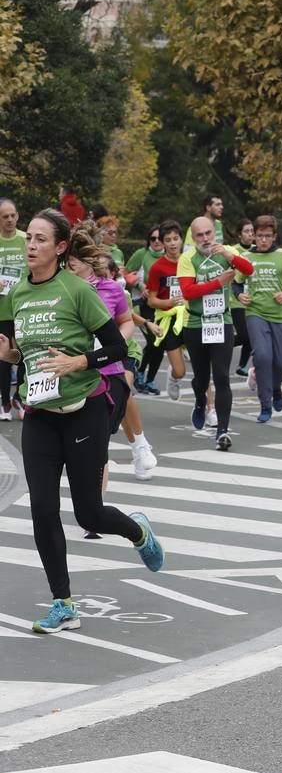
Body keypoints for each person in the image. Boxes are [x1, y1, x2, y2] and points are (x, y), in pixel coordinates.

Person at [2, 211, 163, 633]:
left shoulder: (76, 290)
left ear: (59, 248)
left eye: (40, 239)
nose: (30, 245)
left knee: (88, 514)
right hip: (39, 415)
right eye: (28, 238)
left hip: (83, 412)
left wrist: (80, 361)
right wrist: (12, 357)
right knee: (42, 508)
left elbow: (116, 348)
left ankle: (138, 532)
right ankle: (63, 603)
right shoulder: (17, 293)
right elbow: (25, 352)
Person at [68, 248, 158, 487]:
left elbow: (128, 318)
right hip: (87, 363)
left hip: (122, 352)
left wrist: (117, 341)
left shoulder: (114, 290)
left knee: (125, 389)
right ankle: (136, 447)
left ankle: (140, 445)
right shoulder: (68, 288)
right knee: (97, 434)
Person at [178, 215, 254, 450]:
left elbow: (248, 270)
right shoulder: (188, 258)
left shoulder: (226, 251)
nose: (205, 239)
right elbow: (188, 292)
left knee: (221, 376)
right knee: (201, 378)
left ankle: (222, 431)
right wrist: (219, 283)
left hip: (222, 321)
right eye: (199, 235)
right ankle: (201, 400)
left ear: (214, 232)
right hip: (196, 324)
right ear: (194, 237)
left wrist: (230, 257)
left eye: (208, 233)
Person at [239, 215, 282, 422]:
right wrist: (240, 295)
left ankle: (276, 389)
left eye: (267, 236)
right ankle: (265, 406)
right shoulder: (247, 257)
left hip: (280, 314)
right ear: (253, 236)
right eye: (259, 236)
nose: (263, 240)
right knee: (263, 357)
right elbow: (236, 283)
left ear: (274, 237)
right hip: (255, 312)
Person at [143, 222, 190, 402]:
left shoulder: (190, 262)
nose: (172, 243)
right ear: (163, 243)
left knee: (202, 367)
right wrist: (169, 302)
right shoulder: (158, 268)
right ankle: (174, 377)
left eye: (175, 239)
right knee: (180, 370)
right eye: (168, 240)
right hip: (169, 319)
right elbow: (151, 300)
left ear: (181, 240)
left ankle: (209, 408)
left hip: (189, 317)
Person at [127, 225, 165, 394]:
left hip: (163, 306)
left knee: (160, 342)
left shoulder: (170, 256)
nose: (156, 241)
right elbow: (123, 272)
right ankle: (140, 372)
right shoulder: (141, 255)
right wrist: (140, 285)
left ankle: (150, 379)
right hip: (142, 305)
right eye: (153, 238)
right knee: (151, 341)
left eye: (159, 238)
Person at [0, 198, 27, 419]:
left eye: (12, 215)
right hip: (1, 309)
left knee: (26, 353)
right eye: (5, 216)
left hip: (24, 306)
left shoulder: (25, 240)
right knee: (3, 357)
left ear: (17, 216)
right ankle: (4, 403)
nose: (10, 219)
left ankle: (20, 397)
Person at [231, 218, 256, 378]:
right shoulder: (232, 250)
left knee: (250, 336)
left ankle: (241, 366)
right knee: (245, 335)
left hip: (252, 300)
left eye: (252, 231)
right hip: (235, 300)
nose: (250, 234)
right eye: (246, 231)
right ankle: (218, 346)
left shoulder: (258, 250)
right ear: (239, 235)